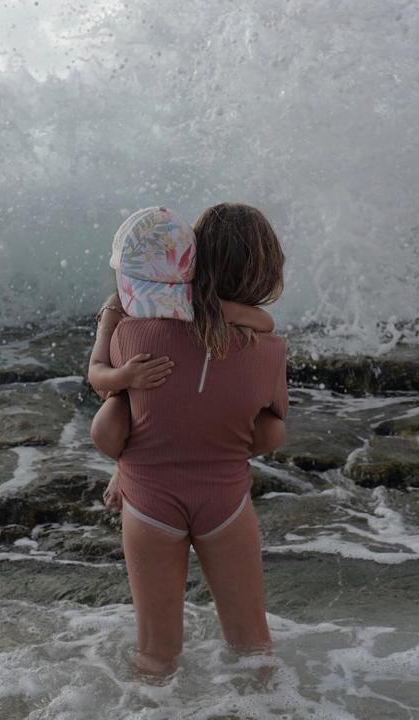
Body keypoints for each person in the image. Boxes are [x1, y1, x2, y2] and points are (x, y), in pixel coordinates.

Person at [94, 202, 289, 678]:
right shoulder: (268, 351)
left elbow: (118, 394)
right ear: (265, 270)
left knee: (155, 654)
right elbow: (267, 435)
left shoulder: (133, 336)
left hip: (148, 499)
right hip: (224, 499)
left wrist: (124, 465)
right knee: (254, 648)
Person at [88, 206, 284, 509]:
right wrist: (124, 377)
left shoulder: (182, 296)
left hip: (185, 420)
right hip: (142, 418)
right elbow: (98, 379)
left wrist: (229, 312)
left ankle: (208, 463)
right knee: (112, 418)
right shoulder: (124, 306)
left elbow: (266, 323)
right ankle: (126, 468)